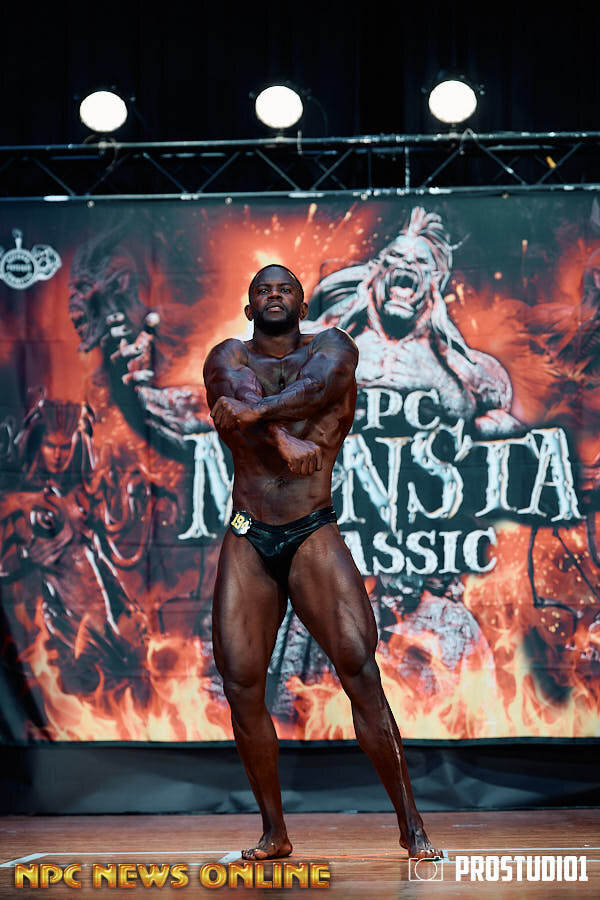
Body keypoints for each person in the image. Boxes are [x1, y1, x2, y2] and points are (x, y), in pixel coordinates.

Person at [203, 263, 441, 862]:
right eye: (263, 289)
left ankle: (411, 825)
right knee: (241, 683)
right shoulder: (227, 356)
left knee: (360, 671)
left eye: (284, 288)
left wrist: (256, 416)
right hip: (248, 531)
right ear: (248, 307)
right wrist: (281, 436)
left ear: (302, 306)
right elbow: (235, 400)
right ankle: (274, 832)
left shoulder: (333, 346)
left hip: (312, 528)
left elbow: (316, 388)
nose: (274, 295)